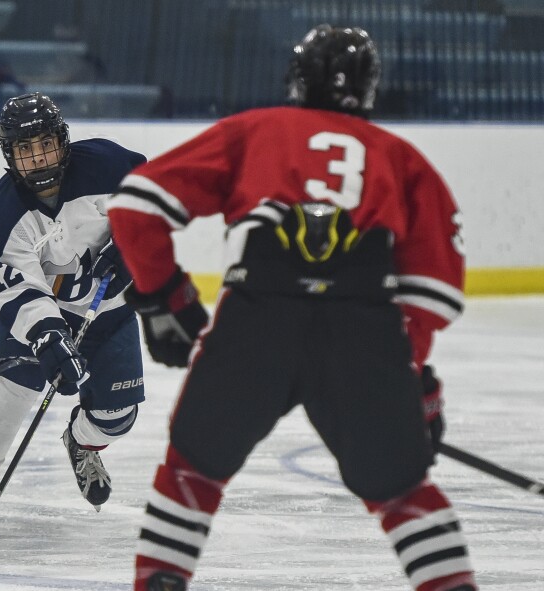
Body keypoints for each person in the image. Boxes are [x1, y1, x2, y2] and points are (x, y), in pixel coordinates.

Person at [108, 25, 476, 591]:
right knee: (403, 492)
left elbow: (135, 205)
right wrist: (408, 370)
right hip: (364, 326)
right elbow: (432, 290)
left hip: (258, 316)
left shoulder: (257, 130)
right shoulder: (403, 160)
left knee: (192, 471)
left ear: (298, 79)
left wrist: (165, 297)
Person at [0, 92, 147, 537]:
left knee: (118, 415)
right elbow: (19, 290)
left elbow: (157, 198)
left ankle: (81, 442)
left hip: (109, 312)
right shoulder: (0, 218)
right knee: (18, 378)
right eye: (25, 149)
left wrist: (131, 246)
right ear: (9, 156)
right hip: (44, 315)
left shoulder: (108, 166)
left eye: (45, 143)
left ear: (63, 140)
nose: (38, 157)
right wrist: (49, 339)